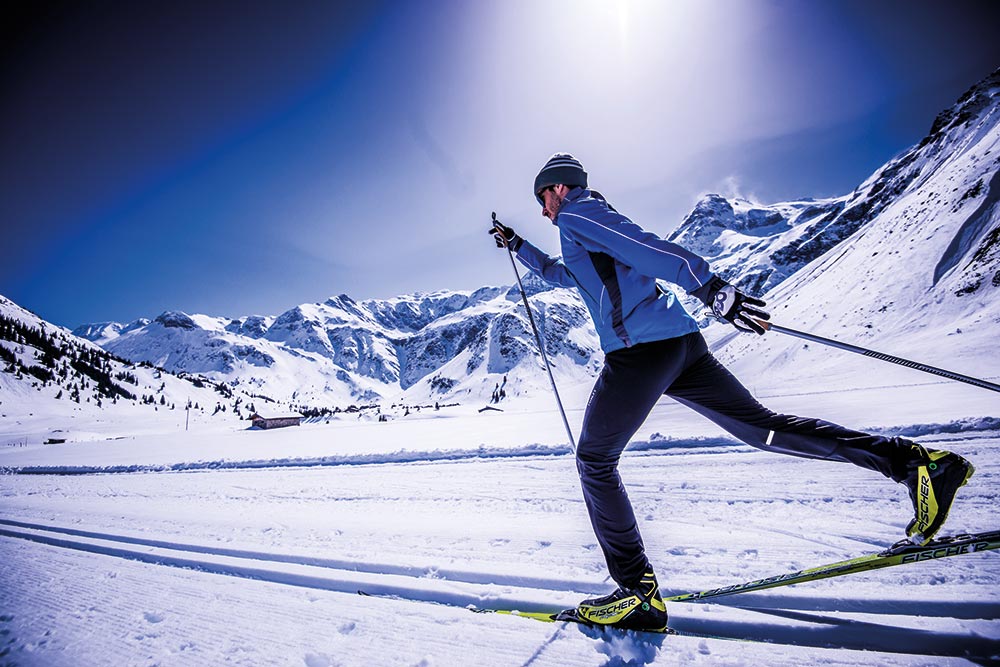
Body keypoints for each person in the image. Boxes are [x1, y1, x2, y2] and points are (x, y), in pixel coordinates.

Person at [487, 153, 975, 632]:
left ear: (557, 188)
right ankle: (918, 466)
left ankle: (637, 593)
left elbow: (649, 248)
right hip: (680, 347)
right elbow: (561, 274)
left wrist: (710, 287)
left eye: (541, 200)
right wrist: (518, 246)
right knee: (764, 428)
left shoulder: (579, 212)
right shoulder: (582, 232)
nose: (543, 211)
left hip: (641, 353)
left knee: (593, 460)